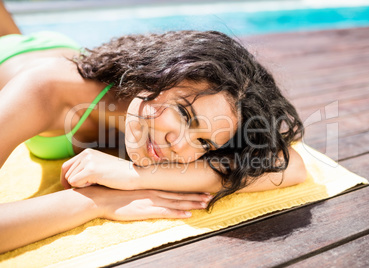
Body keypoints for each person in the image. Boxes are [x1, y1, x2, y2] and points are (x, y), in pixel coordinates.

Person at [0, 1, 306, 253]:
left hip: (63, 51)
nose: (180, 145)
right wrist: (96, 201)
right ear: (158, 75)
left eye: (204, 144)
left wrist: (135, 177)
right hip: (18, 62)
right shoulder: (43, 90)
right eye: (185, 116)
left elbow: (290, 165)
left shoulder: (152, 120)